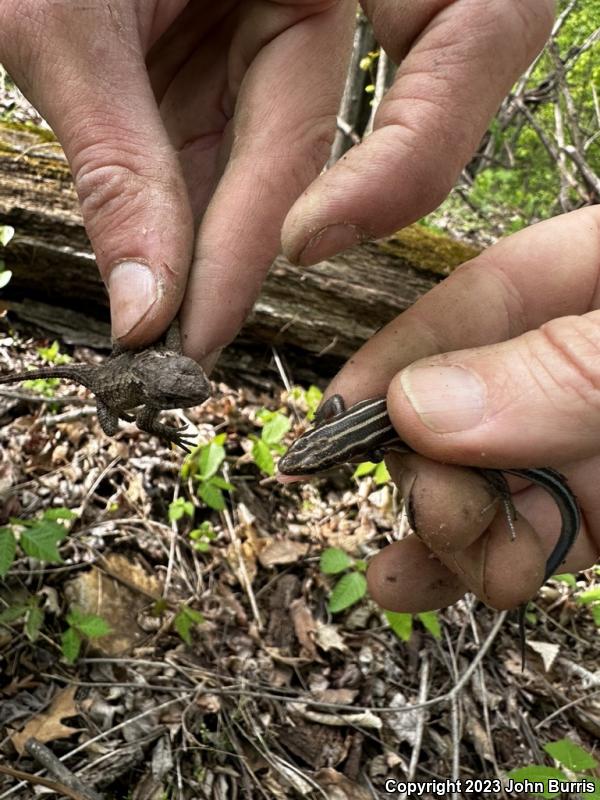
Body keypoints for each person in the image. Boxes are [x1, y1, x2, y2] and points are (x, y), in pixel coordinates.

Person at [1, 0, 597, 615]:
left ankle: (508, 486)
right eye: (306, 458)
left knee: (466, 478)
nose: (300, 463)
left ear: (333, 454)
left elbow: (363, 425)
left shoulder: (365, 436)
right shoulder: (337, 430)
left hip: (429, 420)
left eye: (308, 459)